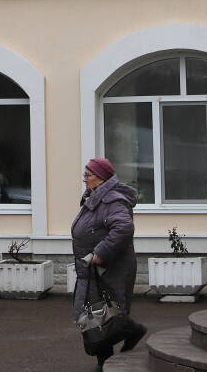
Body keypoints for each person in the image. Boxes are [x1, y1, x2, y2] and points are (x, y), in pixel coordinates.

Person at [71, 157, 147, 371]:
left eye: (88, 175)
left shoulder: (111, 200)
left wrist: (101, 252)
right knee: (98, 315)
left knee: (106, 314)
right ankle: (107, 359)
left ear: (101, 177)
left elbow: (123, 228)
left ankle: (129, 335)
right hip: (94, 269)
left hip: (110, 268)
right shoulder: (95, 197)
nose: (84, 179)